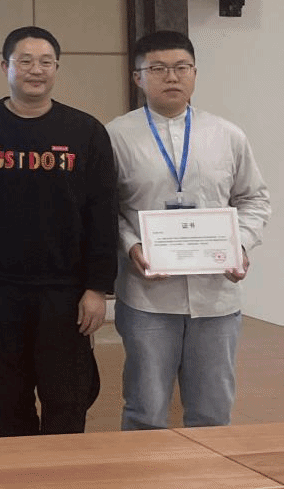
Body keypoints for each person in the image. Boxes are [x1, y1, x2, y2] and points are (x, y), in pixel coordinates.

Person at [0, 26, 117, 436]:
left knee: (67, 397)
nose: (36, 70)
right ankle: (18, 468)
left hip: (65, 292)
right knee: (8, 396)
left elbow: (103, 214)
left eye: (46, 62)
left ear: (57, 68)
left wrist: (97, 288)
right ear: (5, 67)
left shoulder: (85, 131)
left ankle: (61, 468)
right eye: (25, 61)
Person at [108, 30, 270, 429]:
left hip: (216, 296)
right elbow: (104, 210)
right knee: (145, 410)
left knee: (213, 412)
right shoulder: (114, 136)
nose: (172, 77)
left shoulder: (227, 135)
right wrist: (131, 245)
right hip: (147, 297)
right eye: (158, 68)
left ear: (195, 73)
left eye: (182, 67)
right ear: (137, 77)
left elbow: (254, 199)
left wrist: (240, 246)